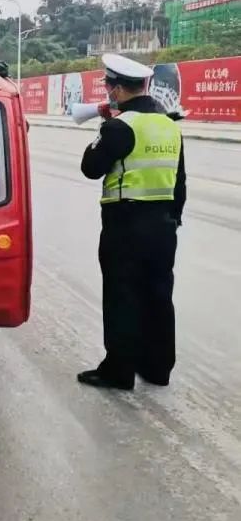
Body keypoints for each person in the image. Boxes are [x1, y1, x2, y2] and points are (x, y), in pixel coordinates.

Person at [77, 53, 186, 391]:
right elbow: (180, 181)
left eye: (109, 86)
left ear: (120, 89)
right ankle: (157, 367)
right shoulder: (169, 125)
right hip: (163, 225)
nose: (108, 92)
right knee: (158, 294)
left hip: (125, 225)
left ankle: (118, 370)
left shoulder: (120, 126)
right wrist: (173, 220)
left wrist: (104, 127)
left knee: (122, 294)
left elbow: (91, 167)